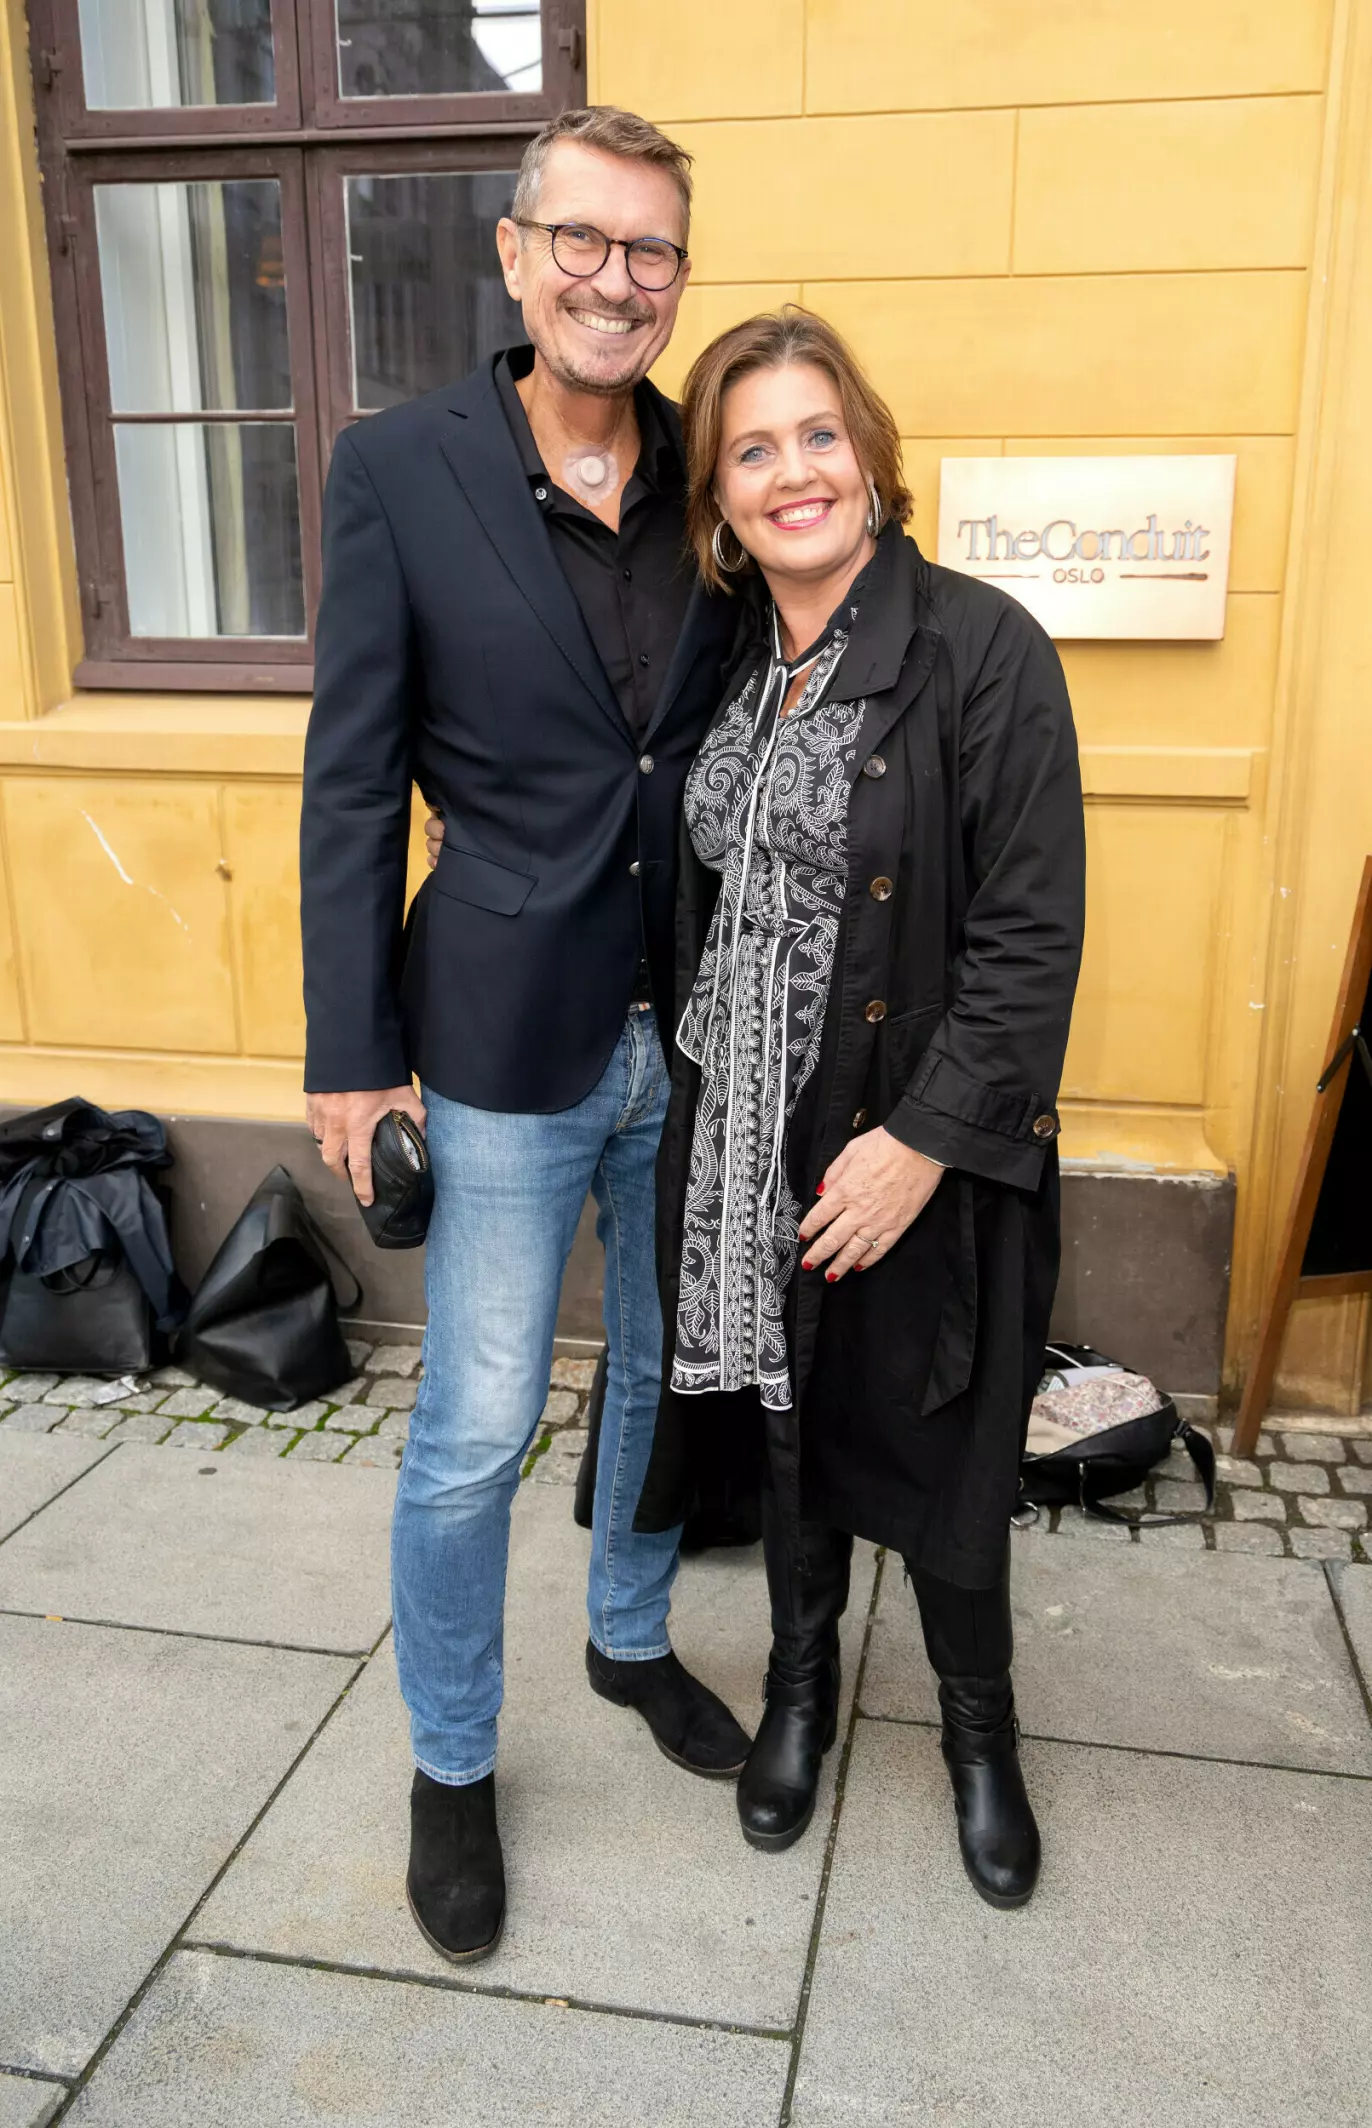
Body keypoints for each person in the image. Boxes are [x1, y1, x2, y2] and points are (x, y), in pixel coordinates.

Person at [299, 107, 751, 1969]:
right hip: (495, 1033)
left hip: (694, 1025)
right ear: (514, 251)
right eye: (584, 239)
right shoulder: (400, 469)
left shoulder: (716, 469)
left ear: (678, 278)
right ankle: (452, 1762)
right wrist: (353, 1054)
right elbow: (351, 782)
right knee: (477, 1427)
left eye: (651, 251)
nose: (615, 280)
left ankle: (629, 1637)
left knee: (658, 1369)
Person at [633, 308, 1085, 1908]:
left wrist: (920, 1147)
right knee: (788, 1433)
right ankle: (801, 1695)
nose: (792, 473)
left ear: (873, 455)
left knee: (943, 1453)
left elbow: (1030, 940)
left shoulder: (982, 648)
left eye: (817, 434)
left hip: (910, 1142)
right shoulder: (728, 666)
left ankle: (978, 1736)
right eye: (751, 451)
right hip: (742, 1137)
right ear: (720, 502)